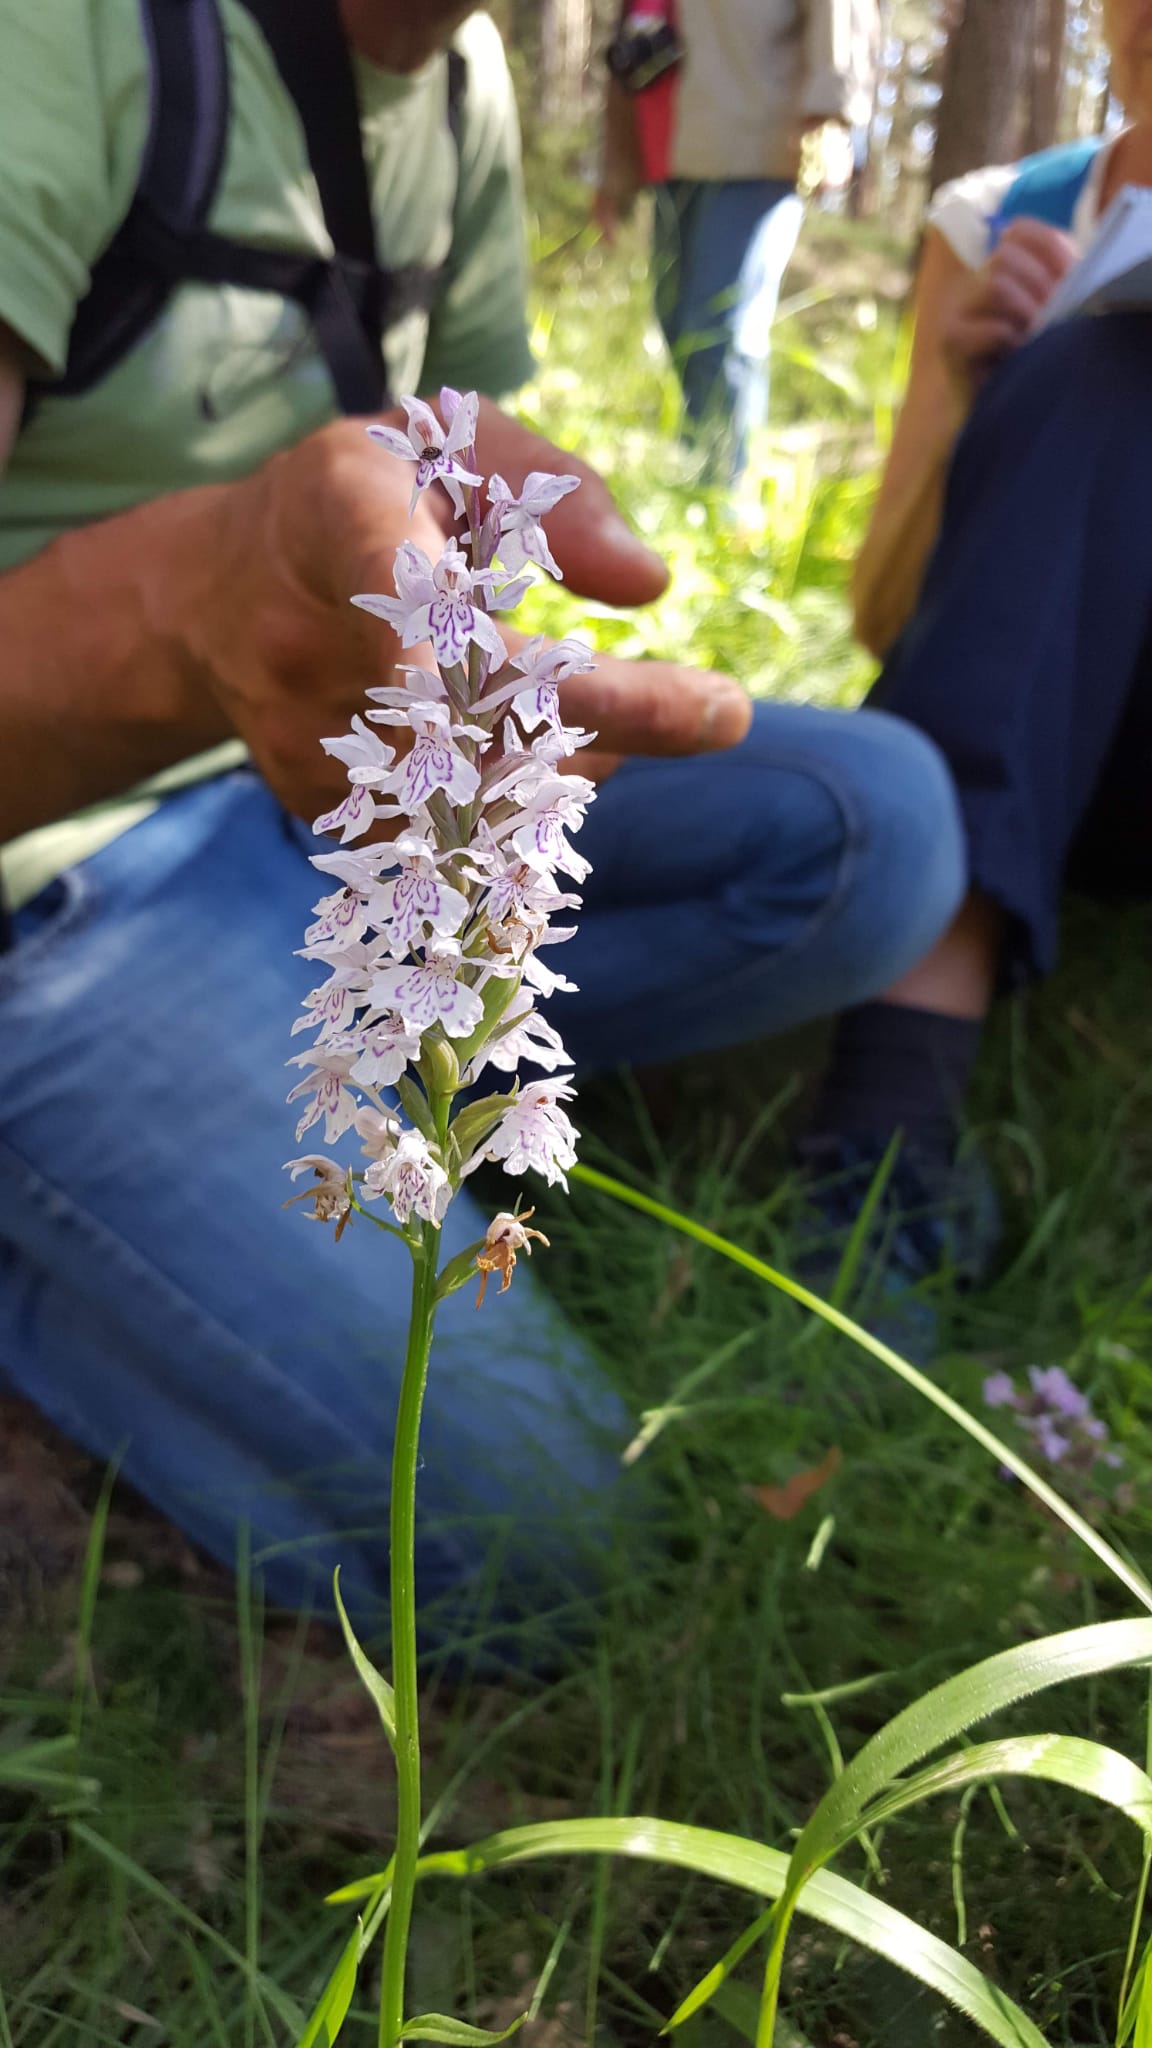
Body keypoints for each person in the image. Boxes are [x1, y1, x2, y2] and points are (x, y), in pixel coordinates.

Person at [0, 0, 964, 1625]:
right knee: (538, 1542)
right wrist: (191, 615)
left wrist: (481, 649)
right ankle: (101, 1221)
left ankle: (360, 1072)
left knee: (880, 825)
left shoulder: (462, 77)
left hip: (328, 791)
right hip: (60, 873)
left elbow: (455, 474)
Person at [801, 0, 1152, 1314]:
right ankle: (881, 1157)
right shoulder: (1000, 218)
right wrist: (974, 393)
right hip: (1054, 750)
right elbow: (891, 615)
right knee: (1099, 365)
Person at [595, 0, 876, 468]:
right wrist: (616, 172)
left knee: (721, 326)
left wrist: (831, 114)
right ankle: (694, 470)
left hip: (756, 143)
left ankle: (724, 497)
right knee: (675, 321)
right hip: (669, 151)